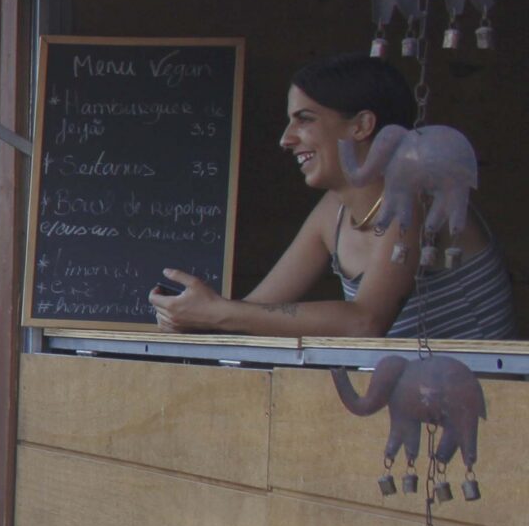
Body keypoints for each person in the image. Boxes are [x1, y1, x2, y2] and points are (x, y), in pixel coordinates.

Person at [153, 54, 515, 341]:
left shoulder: (416, 191)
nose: (285, 139)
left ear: (361, 125)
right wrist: (198, 317)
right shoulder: (334, 211)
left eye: (304, 119)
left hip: (482, 417)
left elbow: (365, 323)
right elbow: (254, 311)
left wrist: (220, 314)